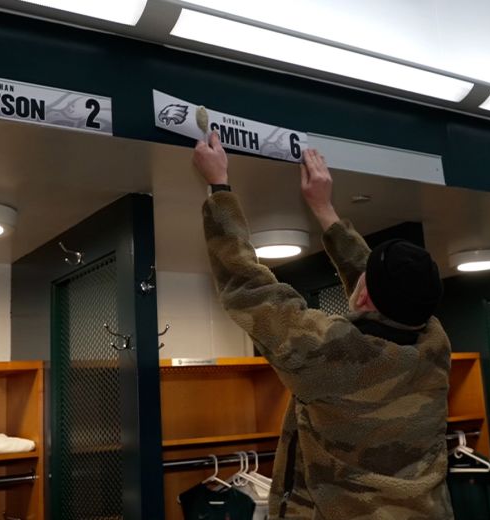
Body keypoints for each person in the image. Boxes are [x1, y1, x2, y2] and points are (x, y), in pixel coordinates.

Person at [193, 132, 453, 520]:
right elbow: (377, 290)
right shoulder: (434, 343)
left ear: (363, 296)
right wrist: (324, 209)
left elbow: (248, 287)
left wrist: (219, 189)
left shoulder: (331, 356)